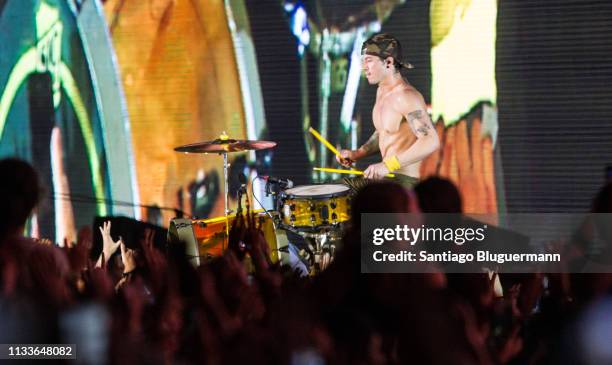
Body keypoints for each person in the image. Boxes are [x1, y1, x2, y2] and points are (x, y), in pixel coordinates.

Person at [337, 33, 439, 189]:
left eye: (369, 61)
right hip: (387, 179)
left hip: (404, 183)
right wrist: (357, 153)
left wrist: (387, 165)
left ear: (389, 62)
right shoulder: (382, 92)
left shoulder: (406, 96)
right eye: (363, 61)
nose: (364, 67)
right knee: (334, 192)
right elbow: (384, 131)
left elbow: (430, 141)